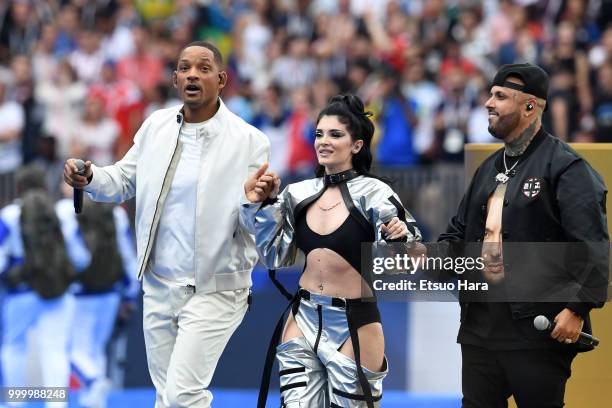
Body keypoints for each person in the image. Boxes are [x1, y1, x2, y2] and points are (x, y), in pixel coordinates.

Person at [63, 41, 271, 407]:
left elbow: (256, 223)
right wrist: (91, 177)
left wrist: (257, 202)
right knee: (167, 397)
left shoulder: (250, 141)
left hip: (216, 290)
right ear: (175, 79)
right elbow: (122, 181)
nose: (193, 74)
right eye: (184, 68)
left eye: (203, 68)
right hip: (158, 286)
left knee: (182, 395)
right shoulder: (155, 126)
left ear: (221, 79)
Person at [438, 63, 609, 407]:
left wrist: (576, 308)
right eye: (490, 94)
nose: (488, 102)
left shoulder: (565, 167)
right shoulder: (488, 168)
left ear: (530, 106)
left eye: (500, 96)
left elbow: (591, 245)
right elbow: (458, 233)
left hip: (536, 329)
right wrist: (426, 254)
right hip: (479, 327)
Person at [241, 94, 422, 408]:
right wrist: (262, 205)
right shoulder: (296, 193)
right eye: (319, 134)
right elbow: (274, 256)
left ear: (357, 145)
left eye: (335, 134)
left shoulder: (376, 193)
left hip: (354, 321)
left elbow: (412, 258)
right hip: (303, 316)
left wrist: (401, 238)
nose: (324, 141)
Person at [0, 165, 91, 408]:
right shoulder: (62, 213)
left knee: (14, 347)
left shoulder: (9, 215)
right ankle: (56, 404)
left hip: (20, 292)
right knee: (55, 350)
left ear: (18, 188)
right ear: (45, 186)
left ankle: (15, 404)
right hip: (58, 293)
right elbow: (81, 257)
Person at [62, 192, 139, 408]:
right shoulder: (116, 214)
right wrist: (130, 293)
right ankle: (96, 401)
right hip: (111, 291)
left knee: (72, 350)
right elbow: (127, 256)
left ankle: (93, 381)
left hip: (80, 293)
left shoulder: (69, 212)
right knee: (97, 348)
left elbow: (74, 255)